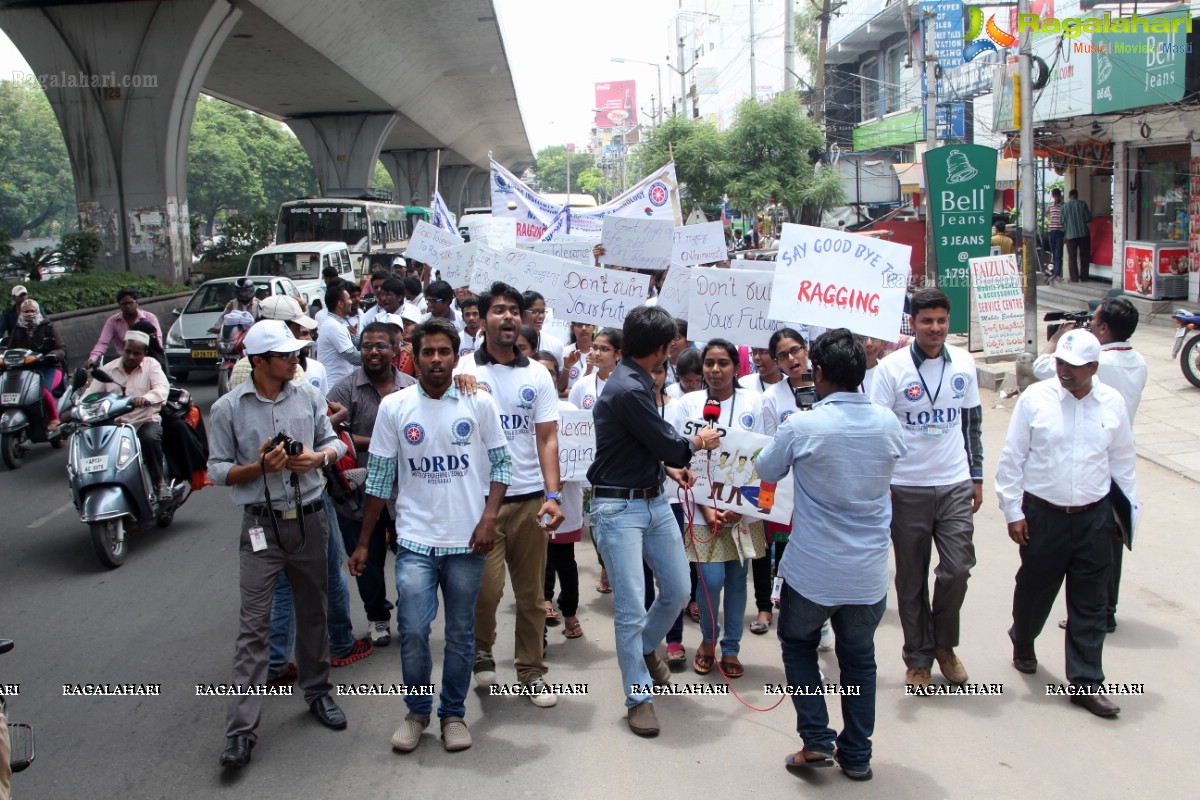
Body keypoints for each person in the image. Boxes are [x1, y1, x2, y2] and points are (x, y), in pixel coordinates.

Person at [350, 317, 510, 753]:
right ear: (413, 356)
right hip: (415, 541)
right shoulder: (395, 407)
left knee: (459, 633)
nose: (436, 360)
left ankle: (453, 715)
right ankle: (417, 712)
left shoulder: (479, 403)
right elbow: (380, 478)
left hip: (468, 543)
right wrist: (364, 542)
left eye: (444, 352)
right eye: (427, 352)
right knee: (415, 628)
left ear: (455, 354)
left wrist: (488, 518)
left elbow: (502, 466)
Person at [756, 329, 905, 782]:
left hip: (813, 572)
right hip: (866, 574)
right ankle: (857, 754)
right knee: (859, 660)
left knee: (798, 645)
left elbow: (765, 469)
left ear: (818, 373)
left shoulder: (803, 425)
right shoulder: (887, 423)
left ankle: (817, 740)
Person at [206, 320, 349, 768]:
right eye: (286, 355)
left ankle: (318, 692)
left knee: (313, 612)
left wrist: (318, 458)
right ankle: (240, 731)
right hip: (260, 527)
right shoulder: (228, 409)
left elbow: (334, 444)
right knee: (254, 628)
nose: (296, 360)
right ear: (259, 361)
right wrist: (259, 468)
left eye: (296, 353)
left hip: (310, 518)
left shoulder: (307, 396)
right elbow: (216, 470)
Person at [588, 305, 721, 737]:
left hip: (653, 500)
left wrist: (668, 469)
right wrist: (697, 443)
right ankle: (638, 698)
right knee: (629, 608)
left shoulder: (639, 381)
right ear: (664, 349)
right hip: (618, 509)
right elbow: (669, 443)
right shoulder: (628, 387)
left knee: (679, 587)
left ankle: (646, 647)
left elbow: (639, 444)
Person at [994, 329, 1138, 717]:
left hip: (1094, 517)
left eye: (1074, 367)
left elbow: (1123, 462)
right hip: (1043, 516)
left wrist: (1124, 516)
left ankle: (1086, 681)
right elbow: (1012, 458)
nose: (1065, 372)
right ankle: (1023, 638)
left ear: (1093, 367)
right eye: (1060, 363)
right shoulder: (1035, 400)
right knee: (1034, 590)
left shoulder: (1112, 403)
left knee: (1091, 602)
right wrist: (1014, 512)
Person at [454, 282, 565, 707]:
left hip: (530, 499)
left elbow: (547, 438)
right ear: (482, 320)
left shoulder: (537, 373)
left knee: (533, 595)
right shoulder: (462, 369)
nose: (508, 317)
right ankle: (483, 649)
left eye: (514, 310)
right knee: (486, 591)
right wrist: (454, 385)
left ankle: (531, 670)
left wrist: (552, 495)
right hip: (480, 504)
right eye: (498, 310)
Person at [869, 288, 983, 689]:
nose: (935, 328)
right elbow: (879, 433)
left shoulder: (964, 364)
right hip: (906, 487)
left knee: (957, 570)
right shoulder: (891, 369)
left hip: (954, 482)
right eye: (926, 321)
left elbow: (971, 424)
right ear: (913, 323)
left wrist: (977, 476)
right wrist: (882, 483)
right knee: (911, 579)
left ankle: (944, 646)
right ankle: (917, 657)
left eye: (941, 321)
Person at [1033, 298, 1146, 632]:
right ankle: (1107, 608)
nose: (1090, 328)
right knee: (1114, 535)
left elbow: (1043, 368)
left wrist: (1059, 339)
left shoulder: (1099, 364)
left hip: (1092, 457)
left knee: (1086, 545)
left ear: (1105, 329)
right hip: (1119, 453)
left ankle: (1090, 612)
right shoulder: (1138, 362)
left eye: (1094, 324)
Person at [668, 339, 768, 679]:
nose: (714, 369)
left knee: (738, 580)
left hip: (743, 509)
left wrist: (741, 507)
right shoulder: (689, 404)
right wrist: (707, 508)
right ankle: (708, 640)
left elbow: (766, 457)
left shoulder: (756, 402)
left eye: (722, 363)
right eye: (709, 362)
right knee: (710, 580)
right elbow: (682, 456)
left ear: (736, 368)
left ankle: (732, 648)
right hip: (700, 508)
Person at [327, 322, 417, 647]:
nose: (374, 352)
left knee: (411, 558)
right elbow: (328, 435)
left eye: (381, 345)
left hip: (406, 491)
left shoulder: (412, 388)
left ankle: (411, 616)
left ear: (396, 349)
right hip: (357, 495)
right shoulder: (342, 391)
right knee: (366, 559)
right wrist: (382, 442)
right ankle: (378, 616)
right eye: (366, 346)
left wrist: (366, 440)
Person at [72, 330, 171, 501]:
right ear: (122, 349)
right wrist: (77, 409)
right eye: (128, 351)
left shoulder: (152, 365)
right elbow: (90, 394)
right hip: (113, 426)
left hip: (143, 421)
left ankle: (159, 482)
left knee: (149, 438)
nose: (131, 356)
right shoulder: (108, 370)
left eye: (137, 353)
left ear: (144, 354)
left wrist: (145, 398)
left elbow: (162, 388)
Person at [537, 352, 585, 641]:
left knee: (565, 559)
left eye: (550, 373)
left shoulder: (572, 411)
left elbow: (584, 453)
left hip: (566, 497)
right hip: (531, 497)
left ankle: (569, 612)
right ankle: (541, 612)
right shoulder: (520, 411)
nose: (545, 378)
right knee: (538, 559)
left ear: (557, 378)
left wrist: (563, 476)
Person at [7, 298, 67, 431]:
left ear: (37, 311)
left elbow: (61, 348)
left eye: (32, 311)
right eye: (26, 311)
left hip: (49, 368)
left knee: (42, 390)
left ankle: (54, 418)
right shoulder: (18, 328)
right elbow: (10, 349)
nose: (29, 314)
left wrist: (52, 355)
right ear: (21, 312)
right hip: (26, 370)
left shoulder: (47, 326)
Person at [87, 288, 163, 367]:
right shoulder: (113, 321)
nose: (128, 306)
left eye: (130, 303)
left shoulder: (150, 318)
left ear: (136, 302)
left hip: (148, 361)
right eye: (124, 304)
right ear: (119, 305)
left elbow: (158, 342)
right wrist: (92, 359)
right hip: (125, 362)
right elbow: (103, 343)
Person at [316, 281, 361, 393]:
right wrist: (377, 357)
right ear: (340, 304)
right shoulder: (334, 326)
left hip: (340, 385)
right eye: (349, 299)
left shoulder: (338, 323)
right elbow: (353, 356)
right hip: (334, 387)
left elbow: (356, 341)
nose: (351, 302)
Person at [568, 328, 620, 411]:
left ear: (618, 354)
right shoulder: (581, 385)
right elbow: (571, 417)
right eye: (595, 348)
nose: (597, 353)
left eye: (604, 349)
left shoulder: (627, 387)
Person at [521, 290, 564, 366]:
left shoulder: (555, 345)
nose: (541, 316)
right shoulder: (510, 343)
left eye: (543, 312)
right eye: (534, 312)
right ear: (521, 313)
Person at [1062, 189, 1092, 282]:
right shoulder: (1083, 204)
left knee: (1072, 256)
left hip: (1070, 235)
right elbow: (1088, 218)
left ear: (1069, 196)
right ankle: (1084, 276)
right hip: (1083, 234)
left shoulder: (1064, 207)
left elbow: (1061, 221)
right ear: (1077, 195)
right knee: (1084, 256)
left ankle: (1074, 277)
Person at [562, 321, 595, 396]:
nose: (583, 328)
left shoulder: (600, 353)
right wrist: (566, 368)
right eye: (579, 325)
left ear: (594, 327)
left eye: (587, 324)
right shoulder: (564, 352)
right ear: (572, 328)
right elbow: (558, 390)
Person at [1046, 188, 1065, 282]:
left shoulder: (1063, 205)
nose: (1056, 197)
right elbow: (1046, 213)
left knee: (1058, 254)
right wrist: (1050, 218)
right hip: (1051, 231)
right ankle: (1054, 273)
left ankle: (1057, 274)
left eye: (1057, 196)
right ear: (1053, 196)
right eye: (1054, 196)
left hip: (1059, 231)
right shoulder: (1050, 206)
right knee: (1054, 253)